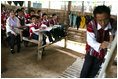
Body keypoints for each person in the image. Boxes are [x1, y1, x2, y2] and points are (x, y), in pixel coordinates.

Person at [80, 5, 116, 78]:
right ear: (95, 19)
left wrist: (111, 41)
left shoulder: (114, 23)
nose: (103, 23)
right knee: (86, 69)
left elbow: (114, 35)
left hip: (102, 52)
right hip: (91, 50)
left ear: (109, 16)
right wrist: (101, 45)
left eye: (105, 19)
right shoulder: (91, 25)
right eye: (100, 21)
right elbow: (90, 41)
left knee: (95, 69)